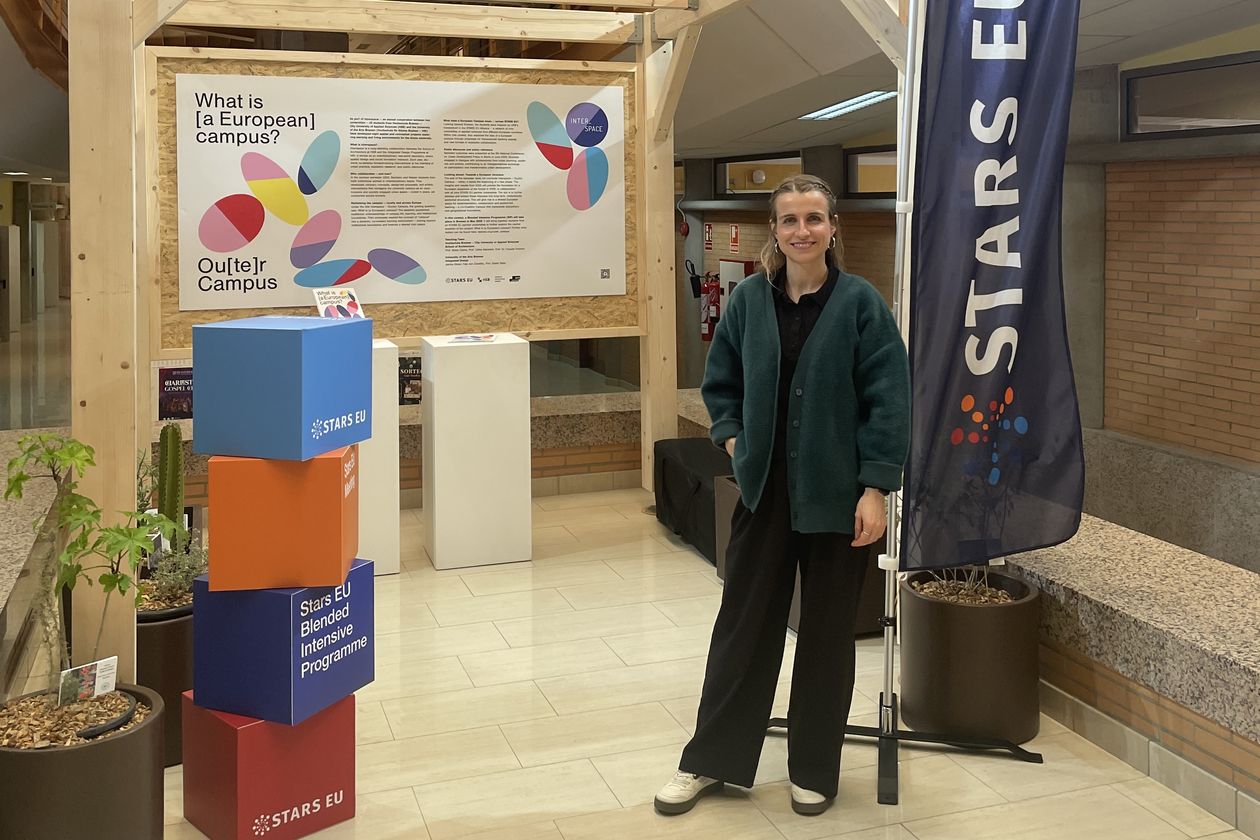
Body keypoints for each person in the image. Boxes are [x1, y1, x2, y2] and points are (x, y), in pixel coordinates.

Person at [654, 174, 910, 817]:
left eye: (814, 218)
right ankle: (710, 760)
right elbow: (722, 380)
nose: (802, 230)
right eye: (790, 219)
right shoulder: (747, 301)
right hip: (764, 495)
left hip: (837, 502)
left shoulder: (861, 304)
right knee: (742, 628)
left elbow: (888, 401)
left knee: (827, 637)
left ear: (832, 227)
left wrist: (876, 488)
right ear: (774, 229)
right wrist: (733, 438)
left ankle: (814, 769)